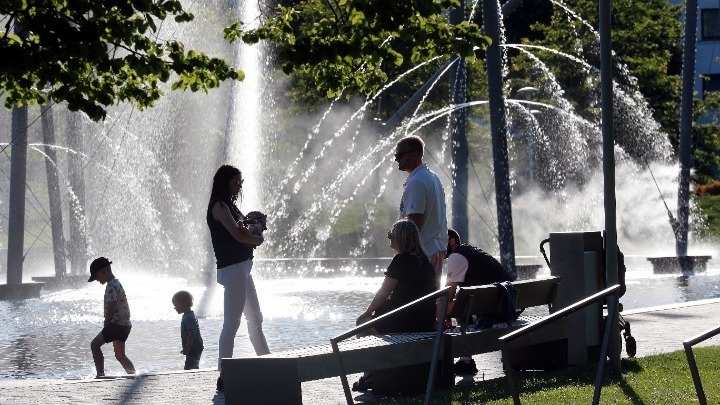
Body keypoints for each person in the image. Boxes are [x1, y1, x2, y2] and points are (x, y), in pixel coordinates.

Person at [352, 219, 437, 391]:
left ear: (399, 238)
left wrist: (367, 313)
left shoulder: (401, 260)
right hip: (425, 322)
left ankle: (369, 376)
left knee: (362, 325)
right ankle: (379, 371)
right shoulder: (426, 262)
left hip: (404, 322)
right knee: (371, 322)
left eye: (390, 235)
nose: (389, 239)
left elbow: (383, 293)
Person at [207, 164, 269, 392]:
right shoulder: (218, 206)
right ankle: (224, 375)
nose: (239, 186)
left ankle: (268, 364)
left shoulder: (230, 206)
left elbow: (246, 228)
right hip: (233, 269)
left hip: (241, 268)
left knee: (256, 319)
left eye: (240, 182)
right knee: (231, 324)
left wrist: (256, 223)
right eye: (236, 182)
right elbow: (236, 234)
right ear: (225, 182)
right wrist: (257, 239)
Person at [443, 228, 514, 375]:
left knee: (446, 307)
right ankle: (465, 360)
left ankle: (463, 359)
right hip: (506, 303)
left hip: (495, 308)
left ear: (452, 241)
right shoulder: (469, 251)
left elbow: (447, 295)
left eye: (439, 242)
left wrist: (439, 315)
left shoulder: (456, 257)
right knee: (461, 303)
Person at [394, 135, 448, 288]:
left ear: (415, 154)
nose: (396, 159)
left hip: (422, 254)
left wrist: (396, 236)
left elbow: (413, 224)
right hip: (435, 249)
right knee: (430, 300)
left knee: (414, 300)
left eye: (400, 155)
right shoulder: (432, 177)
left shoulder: (417, 182)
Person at [88, 257, 136, 378]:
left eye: (96, 276)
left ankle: (100, 374)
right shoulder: (117, 283)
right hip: (125, 325)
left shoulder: (110, 286)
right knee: (120, 355)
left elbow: (111, 306)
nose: (97, 280)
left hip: (115, 324)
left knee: (94, 345)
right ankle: (133, 374)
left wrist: (107, 322)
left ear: (104, 271)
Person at [172, 291, 204, 370]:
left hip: (194, 346)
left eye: (175, 305)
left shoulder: (188, 317)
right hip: (195, 346)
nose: (174, 308)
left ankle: (194, 379)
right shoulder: (189, 315)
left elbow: (191, 333)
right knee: (192, 365)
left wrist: (187, 348)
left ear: (183, 304)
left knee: (190, 367)